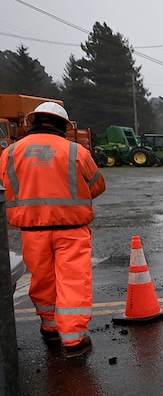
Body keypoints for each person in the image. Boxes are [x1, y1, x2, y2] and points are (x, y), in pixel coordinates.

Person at [0, 102, 106, 358]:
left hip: (32, 230)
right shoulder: (76, 152)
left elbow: (4, 187)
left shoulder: (11, 153)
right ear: (64, 126)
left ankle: (49, 328)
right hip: (71, 229)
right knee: (73, 282)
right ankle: (74, 341)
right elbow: (97, 186)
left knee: (42, 281)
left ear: (33, 121)